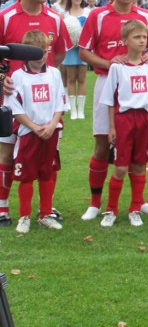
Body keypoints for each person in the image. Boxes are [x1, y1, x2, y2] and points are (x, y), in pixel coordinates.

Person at [78, 0, 148, 221]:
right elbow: (84, 52)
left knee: (140, 147)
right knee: (103, 144)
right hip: (107, 83)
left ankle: (139, 202)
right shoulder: (98, 15)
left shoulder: (146, 16)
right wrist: (112, 64)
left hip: (138, 88)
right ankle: (95, 203)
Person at [0, 0, 72, 227]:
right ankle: (3, 207)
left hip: (44, 105)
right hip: (11, 102)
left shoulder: (54, 18)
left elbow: (60, 54)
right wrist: (2, 79)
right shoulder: (5, 17)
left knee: (46, 158)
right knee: (8, 155)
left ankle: (45, 209)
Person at [99, 20, 148, 227]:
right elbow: (109, 99)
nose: (142, 41)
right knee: (120, 168)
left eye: (144, 37)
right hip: (124, 119)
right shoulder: (117, 66)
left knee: (140, 165)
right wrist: (112, 127)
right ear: (125, 41)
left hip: (145, 118)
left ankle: (135, 209)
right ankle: (111, 210)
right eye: (137, 37)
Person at [8, 31, 68, 233]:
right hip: (28, 133)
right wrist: (33, 127)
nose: (41, 56)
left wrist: (52, 125)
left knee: (47, 174)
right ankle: (24, 216)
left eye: (44, 52)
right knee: (26, 176)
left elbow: (60, 102)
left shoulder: (54, 74)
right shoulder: (17, 76)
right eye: (36, 53)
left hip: (51, 132)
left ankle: (45, 214)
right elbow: (15, 108)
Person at [62, 0, 90, 119]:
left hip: (83, 50)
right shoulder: (65, 14)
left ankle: (81, 110)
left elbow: (92, 31)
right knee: (71, 78)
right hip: (70, 50)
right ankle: (73, 109)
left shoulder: (88, 12)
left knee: (82, 79)